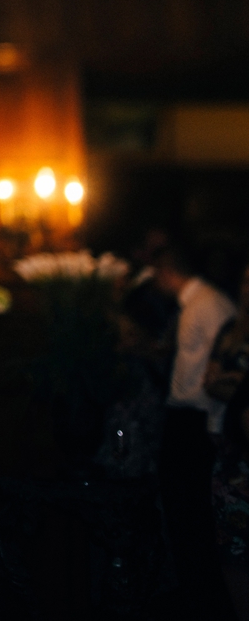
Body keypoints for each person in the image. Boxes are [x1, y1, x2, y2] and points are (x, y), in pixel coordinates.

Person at [153, 243, 238, 618]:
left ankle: (207, 601)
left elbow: (225, 366)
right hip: (185, 418)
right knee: (181, 512)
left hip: (199, 421)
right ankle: (194, 596)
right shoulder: (195, 305)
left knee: (195, 515)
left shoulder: (209, 304)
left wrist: (215, 425)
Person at [206, 265, 249, 619]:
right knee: (232, 549)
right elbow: (211, 381)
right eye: (246, 279)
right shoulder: (230, 330)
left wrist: (237, 383)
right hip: (231, 453)